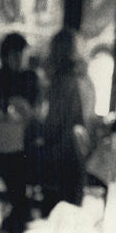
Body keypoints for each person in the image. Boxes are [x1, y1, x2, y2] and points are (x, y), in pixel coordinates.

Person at [0, 32, 41, 233]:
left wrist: (23, 110)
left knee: (18, 186)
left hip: (21, 146)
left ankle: (17, 227)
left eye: (21, 53)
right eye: (14, 54)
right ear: (5, 55)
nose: (18, 58)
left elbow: (37, 114)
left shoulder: (30, 78)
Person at [29, 27, 97, 213]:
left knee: (54, 215)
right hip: (79, 155)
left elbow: (52, 122)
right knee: (71, 213)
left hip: (60, 157)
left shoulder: (62, 82)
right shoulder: (85, 80)